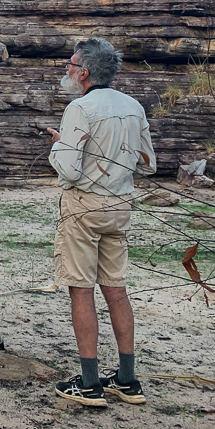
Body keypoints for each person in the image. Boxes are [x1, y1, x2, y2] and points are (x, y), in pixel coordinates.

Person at [46, 37, 156, 407]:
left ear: (85, 73)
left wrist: (59, 145)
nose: (66, 69)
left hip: (84, 207)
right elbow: (148, 164)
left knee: (81, 289)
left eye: (70, 64)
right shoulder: (133, 106)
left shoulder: (80, 107)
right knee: (116, 289)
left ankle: (90, 383)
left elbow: (69, 170)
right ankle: (127, 379)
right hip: (121, 205)